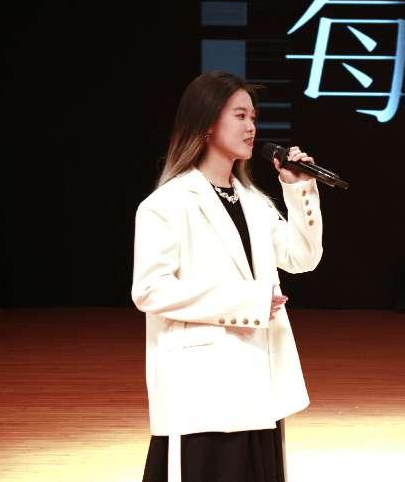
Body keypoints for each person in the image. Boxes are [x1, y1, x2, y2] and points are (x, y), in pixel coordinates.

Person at [131, 71, 323, 482]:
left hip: (260, 382)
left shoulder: (255, 202)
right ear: (206, 123)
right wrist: (246, 302)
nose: (251, 127)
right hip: (203, 388)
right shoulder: (167, 204)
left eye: (253, 117)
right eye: (239, 116)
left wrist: (300, 190)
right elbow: (149, 290)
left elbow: (302, 257)